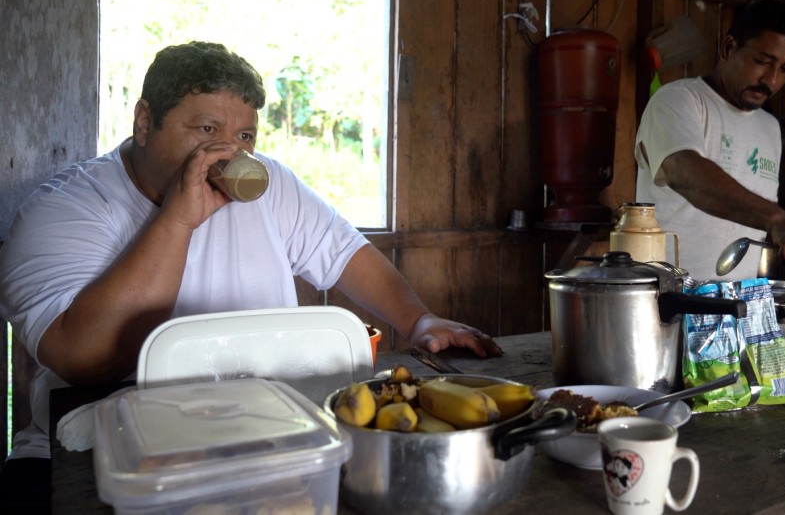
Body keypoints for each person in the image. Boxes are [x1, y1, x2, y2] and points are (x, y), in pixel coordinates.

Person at [0, 41, 502, 511]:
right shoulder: (63, 211)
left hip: (263, 437)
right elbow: (82, 359)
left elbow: (346, 253)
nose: (228, 152)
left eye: (243, 136)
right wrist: (177, 219)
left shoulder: (272, 185)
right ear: (144, 121)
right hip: (93, 454)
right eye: (206, 131)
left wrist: (418, 319)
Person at [634, 0, 785, 286]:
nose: (771, 80)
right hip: (665, 302)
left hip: (737, 311)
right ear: (728, 48)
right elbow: (683, 171)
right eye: (762, 61)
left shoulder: (770, 128)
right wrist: (779, 220)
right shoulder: (677, 100)